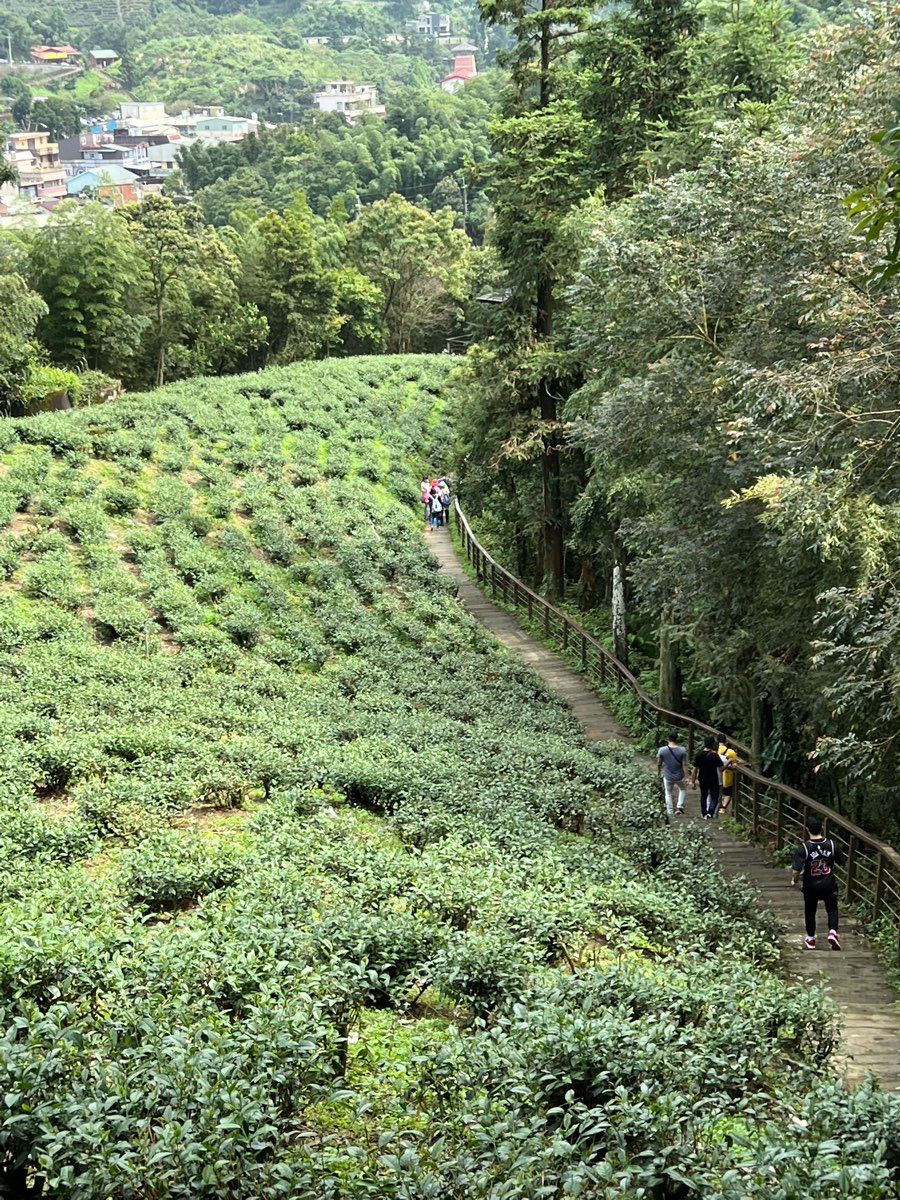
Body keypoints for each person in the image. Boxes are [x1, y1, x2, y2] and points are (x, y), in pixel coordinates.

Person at [790, 815, 845, 950]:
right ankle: (832, 931)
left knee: (810, 911)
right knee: (832, 909)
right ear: (822, 829)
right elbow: (842, 862)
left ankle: (811, 938)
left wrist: (794, 880)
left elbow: (796, 869)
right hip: (828, 883)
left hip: (811, 885)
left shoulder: (804, 848)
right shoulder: (831, 845)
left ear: (807, 829)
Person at [657, 730, 689, 818]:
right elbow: (684, 765)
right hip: (679, 776)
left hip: (667, 776)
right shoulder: (682, 750)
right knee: (682, 789)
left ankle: (670, 811)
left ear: (668, 739)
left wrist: (659, 772)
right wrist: (687, 777)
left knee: (668, 793)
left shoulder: (662, 750)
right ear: (676, 739)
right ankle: (679, 806)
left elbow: (659, 763)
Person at [691, 735, 722, 820]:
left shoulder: (699, 755)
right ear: (713, 744)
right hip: (713, 779)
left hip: (702, 778)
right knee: (714, 797)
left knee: (703, 796)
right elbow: (721, 768)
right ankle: (710, 813)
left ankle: (704, 813)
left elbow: (695, 769)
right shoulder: (714, 755)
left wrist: (692, 781)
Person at [717, 735, 741, 811]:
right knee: (728, 793)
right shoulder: (730, 752)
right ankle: (723, 808)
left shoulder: (714, 750)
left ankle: (717, 806)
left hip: (715, 775)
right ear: (726, 741)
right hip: (727, 775)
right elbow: (735, 761)